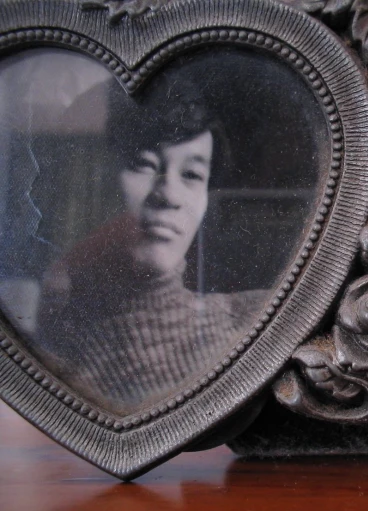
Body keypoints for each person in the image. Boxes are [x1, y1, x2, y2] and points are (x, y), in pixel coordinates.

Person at [35, 78, 265, 415]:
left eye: (192, 175)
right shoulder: (56, 336)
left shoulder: (248, 323)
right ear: (102, 179)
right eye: (144, 165)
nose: (168, 195)